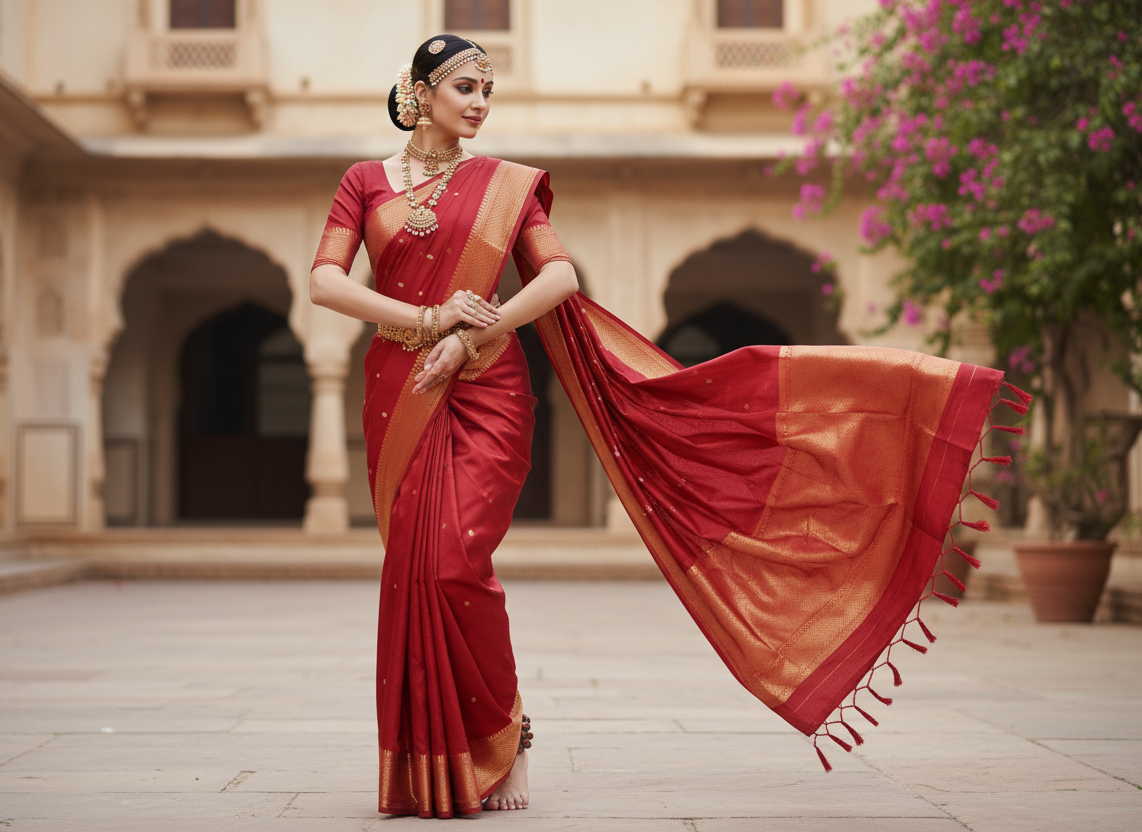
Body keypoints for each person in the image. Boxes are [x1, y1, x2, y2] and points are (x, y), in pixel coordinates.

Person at [309, 35, 1025, 820]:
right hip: (401, 389)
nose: (481, 103)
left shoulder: (504, 187)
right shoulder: (363, 183)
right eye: (466, 88)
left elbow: (558, 276)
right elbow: (324, 283)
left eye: (489, 89)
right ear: (419, 92)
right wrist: (427, 319)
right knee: (415, 573)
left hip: (487, 391)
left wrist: (474, 332)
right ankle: (440, 760)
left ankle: (508, 741)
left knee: (451, 564)